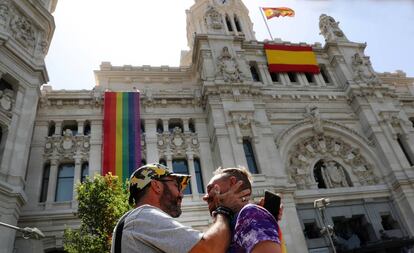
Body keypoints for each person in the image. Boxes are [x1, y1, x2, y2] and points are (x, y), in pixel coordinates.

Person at [111, 163, 251, 253]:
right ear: (156, 186)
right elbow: (209, 249)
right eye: (177, 186)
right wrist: (223, 210)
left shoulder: (138, 220)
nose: (181, 194)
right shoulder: (143, 217)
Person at [203, 167, 282, 253]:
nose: (205, 197)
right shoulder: (229, 227)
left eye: (210, 188)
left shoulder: (250, 213)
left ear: (232, 183)